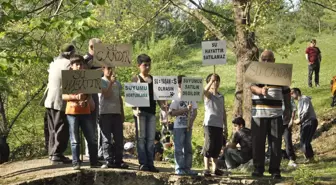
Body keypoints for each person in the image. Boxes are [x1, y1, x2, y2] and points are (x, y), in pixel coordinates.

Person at [250, 50, 291, 179]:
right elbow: (251, 87)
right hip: (259, 115)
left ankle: (275, 170)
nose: (266, 61)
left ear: (274, 60)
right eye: (263, 59)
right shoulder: (256, 71)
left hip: (276, 114)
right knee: (258, 143)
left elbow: (286, 92)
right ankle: (258, 169)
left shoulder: (280, 73)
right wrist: (260, 90)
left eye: (269, 59)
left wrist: (288, 108)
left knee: (275, 143)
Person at [62, 55, 100, 170]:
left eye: (81, 64)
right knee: (74, 140)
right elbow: (63, 96)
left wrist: (86, 100)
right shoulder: (67, 78)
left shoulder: (87, 77)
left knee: (91, 138)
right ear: (72, 66)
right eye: (77, 64)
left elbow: (89, 95)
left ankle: (94, 161)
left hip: (85, 111)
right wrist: (75, 97)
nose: (79, 66)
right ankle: (76, 162)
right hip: (72, 112)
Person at [132, 54, 166, 172]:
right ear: (139, 66)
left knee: (151, 139)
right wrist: (134, 110)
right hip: (140, 112)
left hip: (151, 112)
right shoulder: (135, 79)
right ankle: (143, 163)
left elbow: (159, 98)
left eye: (149, 65)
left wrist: (163, 107)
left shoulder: (154, 80)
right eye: (145, 65)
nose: (147, 67)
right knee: (141, 138)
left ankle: (150, 163)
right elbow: (132, 96)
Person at [44, 44, 75, 164]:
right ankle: (57, 153)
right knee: (61, 127)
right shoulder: (67, 64)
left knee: (52, 128)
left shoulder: (54, 63)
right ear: (70, 53)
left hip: (50, 99)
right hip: (59, 100)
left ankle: (53, 153)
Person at [99, 65, 128, 169]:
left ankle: (119, 160)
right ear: (103, 69)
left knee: (119, 138)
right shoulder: (101, 81)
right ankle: (108, 160)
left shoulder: (118, 83)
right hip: (105, 113)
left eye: (112, 68)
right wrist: (111, 82)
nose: (110, 71)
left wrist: (122, 113)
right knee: (106, 138)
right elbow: (106, 95)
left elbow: (119, 98)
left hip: (116, 113)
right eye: (108, 68)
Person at [169, 75, 198, 176]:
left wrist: (191, 122)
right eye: (179, 82)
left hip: (188, 126)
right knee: (179, 148)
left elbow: (195, 111)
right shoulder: (175, 97)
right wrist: (185, 109)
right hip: (178, 126)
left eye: (183, 82)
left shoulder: (191, 96)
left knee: (188, 148)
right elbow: (172, 113)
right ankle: (179, 168)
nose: (181, 84)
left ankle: (187, 168)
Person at [202, 73, 228, 177]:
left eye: (217, 80)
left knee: (217, 146)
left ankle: (215, 168)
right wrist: (210, 81)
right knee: (209, 145)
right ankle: (206, 168)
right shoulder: (209, 95)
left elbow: (223, 111)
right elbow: (203, 91)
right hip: (209, 123)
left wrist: (225, 125)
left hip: (219, 124)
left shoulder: (221, 96)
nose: (215, 83)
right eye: (214, 81)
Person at [84, 38, 103, 159]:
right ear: (92, 47)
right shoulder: (84, 60)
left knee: (100, 124)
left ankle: (99, 152)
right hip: (89, 95)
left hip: (102, 93)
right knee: (90, 124)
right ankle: (90, 151)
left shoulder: (103, 59)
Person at [291, 88, 318, 163]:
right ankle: (310, 158)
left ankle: (310, 158)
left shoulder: (304, 99)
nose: (291, 95)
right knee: (304, 141)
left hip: (310, 122)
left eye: (292, 93)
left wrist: (299, 120)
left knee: (305, 142)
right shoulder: (300, 101)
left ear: (297, 92)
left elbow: (305, 112)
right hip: (305, 123)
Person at [284, 97, 297, 167]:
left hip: (286, 123)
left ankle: (292, 159)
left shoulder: (288, 97)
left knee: (288, 141)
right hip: (275, 123)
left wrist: (292, 120)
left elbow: (294, 109)